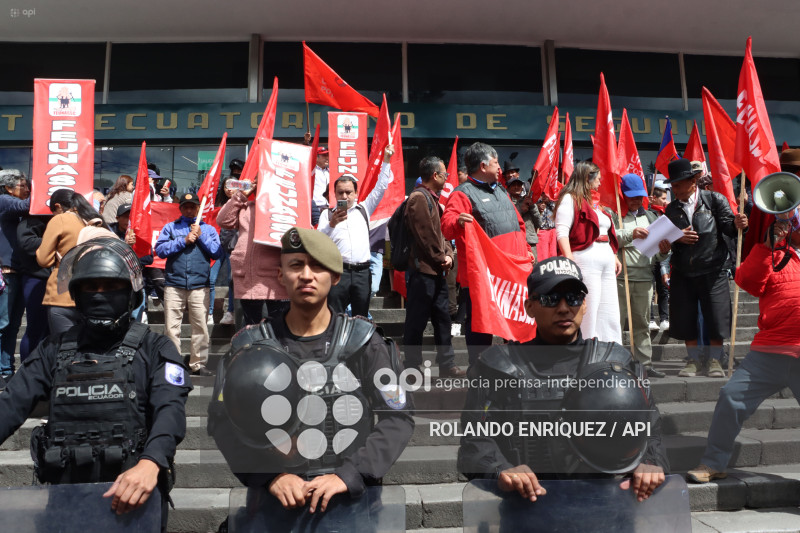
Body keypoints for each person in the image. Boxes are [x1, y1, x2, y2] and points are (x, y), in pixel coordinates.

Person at [207, 227, 414, 515]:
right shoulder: (251, 345)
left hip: (351, 505)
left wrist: (350, 474)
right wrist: (269, 476)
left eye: (318, 267)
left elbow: (398, 417)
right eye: (296, 265)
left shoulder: (364, 343)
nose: (307, 275)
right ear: (281, 275)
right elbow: (222, 422)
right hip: (276, 504)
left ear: (336, 277)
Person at [0, 238, 191, 531]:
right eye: (91, 288)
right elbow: (10, 404)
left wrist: (151, 462)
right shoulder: (54, 349)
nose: (100, 295)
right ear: (77, 294)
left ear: (130, 293)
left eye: (111, 286)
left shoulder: (155, 348)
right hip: (66, 504)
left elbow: (170, 410)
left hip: (134, 501)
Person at [457, 256, 669, 502]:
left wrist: (651, 462)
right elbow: (474, 441)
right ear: (529, 307)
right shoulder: (497, 367)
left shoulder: (618, 363)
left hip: (605, 508)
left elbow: (650, 427)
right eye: (550, 298)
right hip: (527, 511)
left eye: (573, 297)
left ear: (585, 305)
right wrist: (500, 470)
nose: (564, 308)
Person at [687, 219, 800, 483]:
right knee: (730, 396)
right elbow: (746, 282)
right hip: (769, 351)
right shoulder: (773, 252)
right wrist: (766, 247)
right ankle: (714, 463)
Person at [442, 142, 531, 365]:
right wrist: (458, 221)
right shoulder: (462, 194)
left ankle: (516, 371)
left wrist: (527, 251)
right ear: (483, 165)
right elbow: (446, 225)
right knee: (481, 327)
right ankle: (479, 373)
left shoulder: (501, 190)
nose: (500, 167)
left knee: (517, 324)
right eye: (495, 162)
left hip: (512, 273)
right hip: (483, 276)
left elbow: (518, 224)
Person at [664, 159, 748, 378]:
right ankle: (692, 361)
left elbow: (729, 228)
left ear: (693, 181)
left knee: (716, 317)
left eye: (678, 185)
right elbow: (664, 240)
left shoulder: (714, 200)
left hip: (714, 269)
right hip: (683, 271)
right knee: (686, 318)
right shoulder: (670, 209)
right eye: (672, 186)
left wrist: (739, 223)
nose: (675, 190)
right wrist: (676, 238)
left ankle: (714, 361)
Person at [403, 156, 464, 378]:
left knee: (443, 319)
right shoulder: (419, 198)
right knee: (416, 322)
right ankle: (411, 367)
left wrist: (448, 255)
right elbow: (425, 236)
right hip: (422, 273)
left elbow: (443, 236)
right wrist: (442, 257)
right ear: (435, 175)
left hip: (438, 272)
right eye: (445, 174)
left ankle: (447, 365)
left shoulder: (434, 200)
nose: (447, 178)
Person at [318, 145, 395, 318]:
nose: (345, 197)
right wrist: (332, 223)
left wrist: (387, 160)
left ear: (356, 193)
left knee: (361, 317)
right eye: (340, 193)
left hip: (362, 273)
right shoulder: (327, 214)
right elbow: (319, 241)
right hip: (338, 273)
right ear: (335, 194)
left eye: (348, 192)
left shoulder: (364, 209)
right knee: (335, 317)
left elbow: (381, 187)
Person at [554, 160, 623, 343]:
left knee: (609, 309)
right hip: (585, 258)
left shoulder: (596, 203)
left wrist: (614, 255)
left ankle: (611, 351)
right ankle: (586, 351)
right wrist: (569, 260)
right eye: (597, 179)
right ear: (587, 178)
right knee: (589, 309)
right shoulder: (570, 198)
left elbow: (605, 231)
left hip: (605, 256)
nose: (600, 183)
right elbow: (561, 231)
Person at [155, 192, 222, 376]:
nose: (189, 209)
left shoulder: (208, 229)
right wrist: (183, 241)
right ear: (181, 208)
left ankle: (198, 364)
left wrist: (200, 236)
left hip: (200, 285)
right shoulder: (170, 227)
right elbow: (160, 250)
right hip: (174, 284)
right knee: (171, 327)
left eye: (193, 206)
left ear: (198, 208)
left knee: (200, 326)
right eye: (186, 206)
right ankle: (174, 363)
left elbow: (216, 252)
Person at [611, 174, 670, 379]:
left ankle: (644, 364)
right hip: (619, 278)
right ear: (623, 195)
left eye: (639, 197)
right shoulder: (614, 214)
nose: (636, 200)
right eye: (631, 196)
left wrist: (664, 250)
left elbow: (662, 254)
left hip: (645, 278)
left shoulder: (652, 217)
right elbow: (609, 240)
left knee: (642, 324)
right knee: (615, 323)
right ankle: (615, 365)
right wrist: (630, 234)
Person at [217, 171, 289, 326]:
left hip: (276, 278)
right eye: (257, 182)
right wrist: (241, 195)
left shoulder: (286, 210)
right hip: (248, 277)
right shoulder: (246, 208)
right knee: (250, 326)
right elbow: (223, 220)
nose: (259, 185)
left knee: (278, 327)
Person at [36, 189, 104, 334]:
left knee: (64, 348)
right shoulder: (93, 220)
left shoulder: (60, 219)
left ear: (58, 206)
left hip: (63, 292)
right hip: (91, 292)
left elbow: (44, 260)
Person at [0, 169, 30, 379]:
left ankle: (6, 369)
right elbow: (27, 205)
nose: (27, 189)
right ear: (8, 188)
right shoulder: (3, 200)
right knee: (3, 324)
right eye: (23, 185)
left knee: (13, 325)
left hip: (19, 272)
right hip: (6, 273)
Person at [109, 204, 153, 322]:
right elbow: (108, 256)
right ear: (117, 218)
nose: (129, 220)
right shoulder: (109, 232)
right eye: (125, 217)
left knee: (135, 321)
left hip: (135, 283)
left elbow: (148, 258)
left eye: (131, 217)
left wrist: (133, 252)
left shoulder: (140, 233)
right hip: (114, 283)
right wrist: (125, 244)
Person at [648, 185, 671, 332]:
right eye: (663, 199)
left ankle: (664, 319)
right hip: (649, 255)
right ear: (654, 198)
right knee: (650, 289)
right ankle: (650, 319)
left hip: (664, 255)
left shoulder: (667, 213)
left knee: (663, 288)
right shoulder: (646, 213)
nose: (665, 201)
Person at [507, 174, 539, 260]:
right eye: (513, 185)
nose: (516, 187)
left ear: (522, 187)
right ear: (508, 188)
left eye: (519, 185)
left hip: (530, 241)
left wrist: (532, 206)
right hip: (515, 242)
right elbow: (509, 221)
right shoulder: (506, 203)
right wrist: (521, 210)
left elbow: (538, 223)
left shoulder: (528, 200)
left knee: (534, 269)